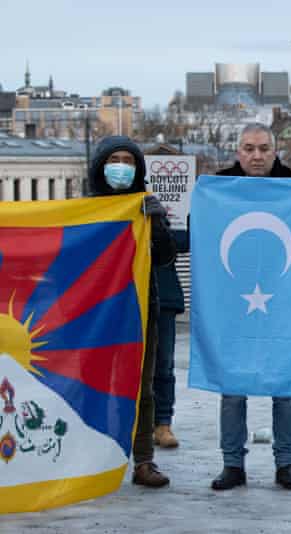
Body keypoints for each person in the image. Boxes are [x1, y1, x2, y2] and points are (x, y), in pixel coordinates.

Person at [210, 123, 291, 492]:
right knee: (232, 387)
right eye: (249, 148)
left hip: (281, 301)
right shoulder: (219, 189)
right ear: (238, 152)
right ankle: (232, 465)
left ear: (274, 151)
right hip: (233, 301)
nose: (257, 156)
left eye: (264, 148)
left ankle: (287, 464)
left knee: (285, 385)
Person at [87, 135, 177, 488]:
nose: (122, 167)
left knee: (143, 386)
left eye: (128, 160)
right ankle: (93, 457)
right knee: (94, 383)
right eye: (115, 159)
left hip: (140, 306)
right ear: (100, 165)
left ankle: (143, 461)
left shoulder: (145, 206)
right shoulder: (85, 210)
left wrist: (156, 225)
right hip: (95, 311)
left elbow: (167, 258)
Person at [152, 229, 186, 449]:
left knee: (163, 364)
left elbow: (189, 239)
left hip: (163, 295)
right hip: (126, 293)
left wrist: (159, 232)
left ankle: (162, 423)